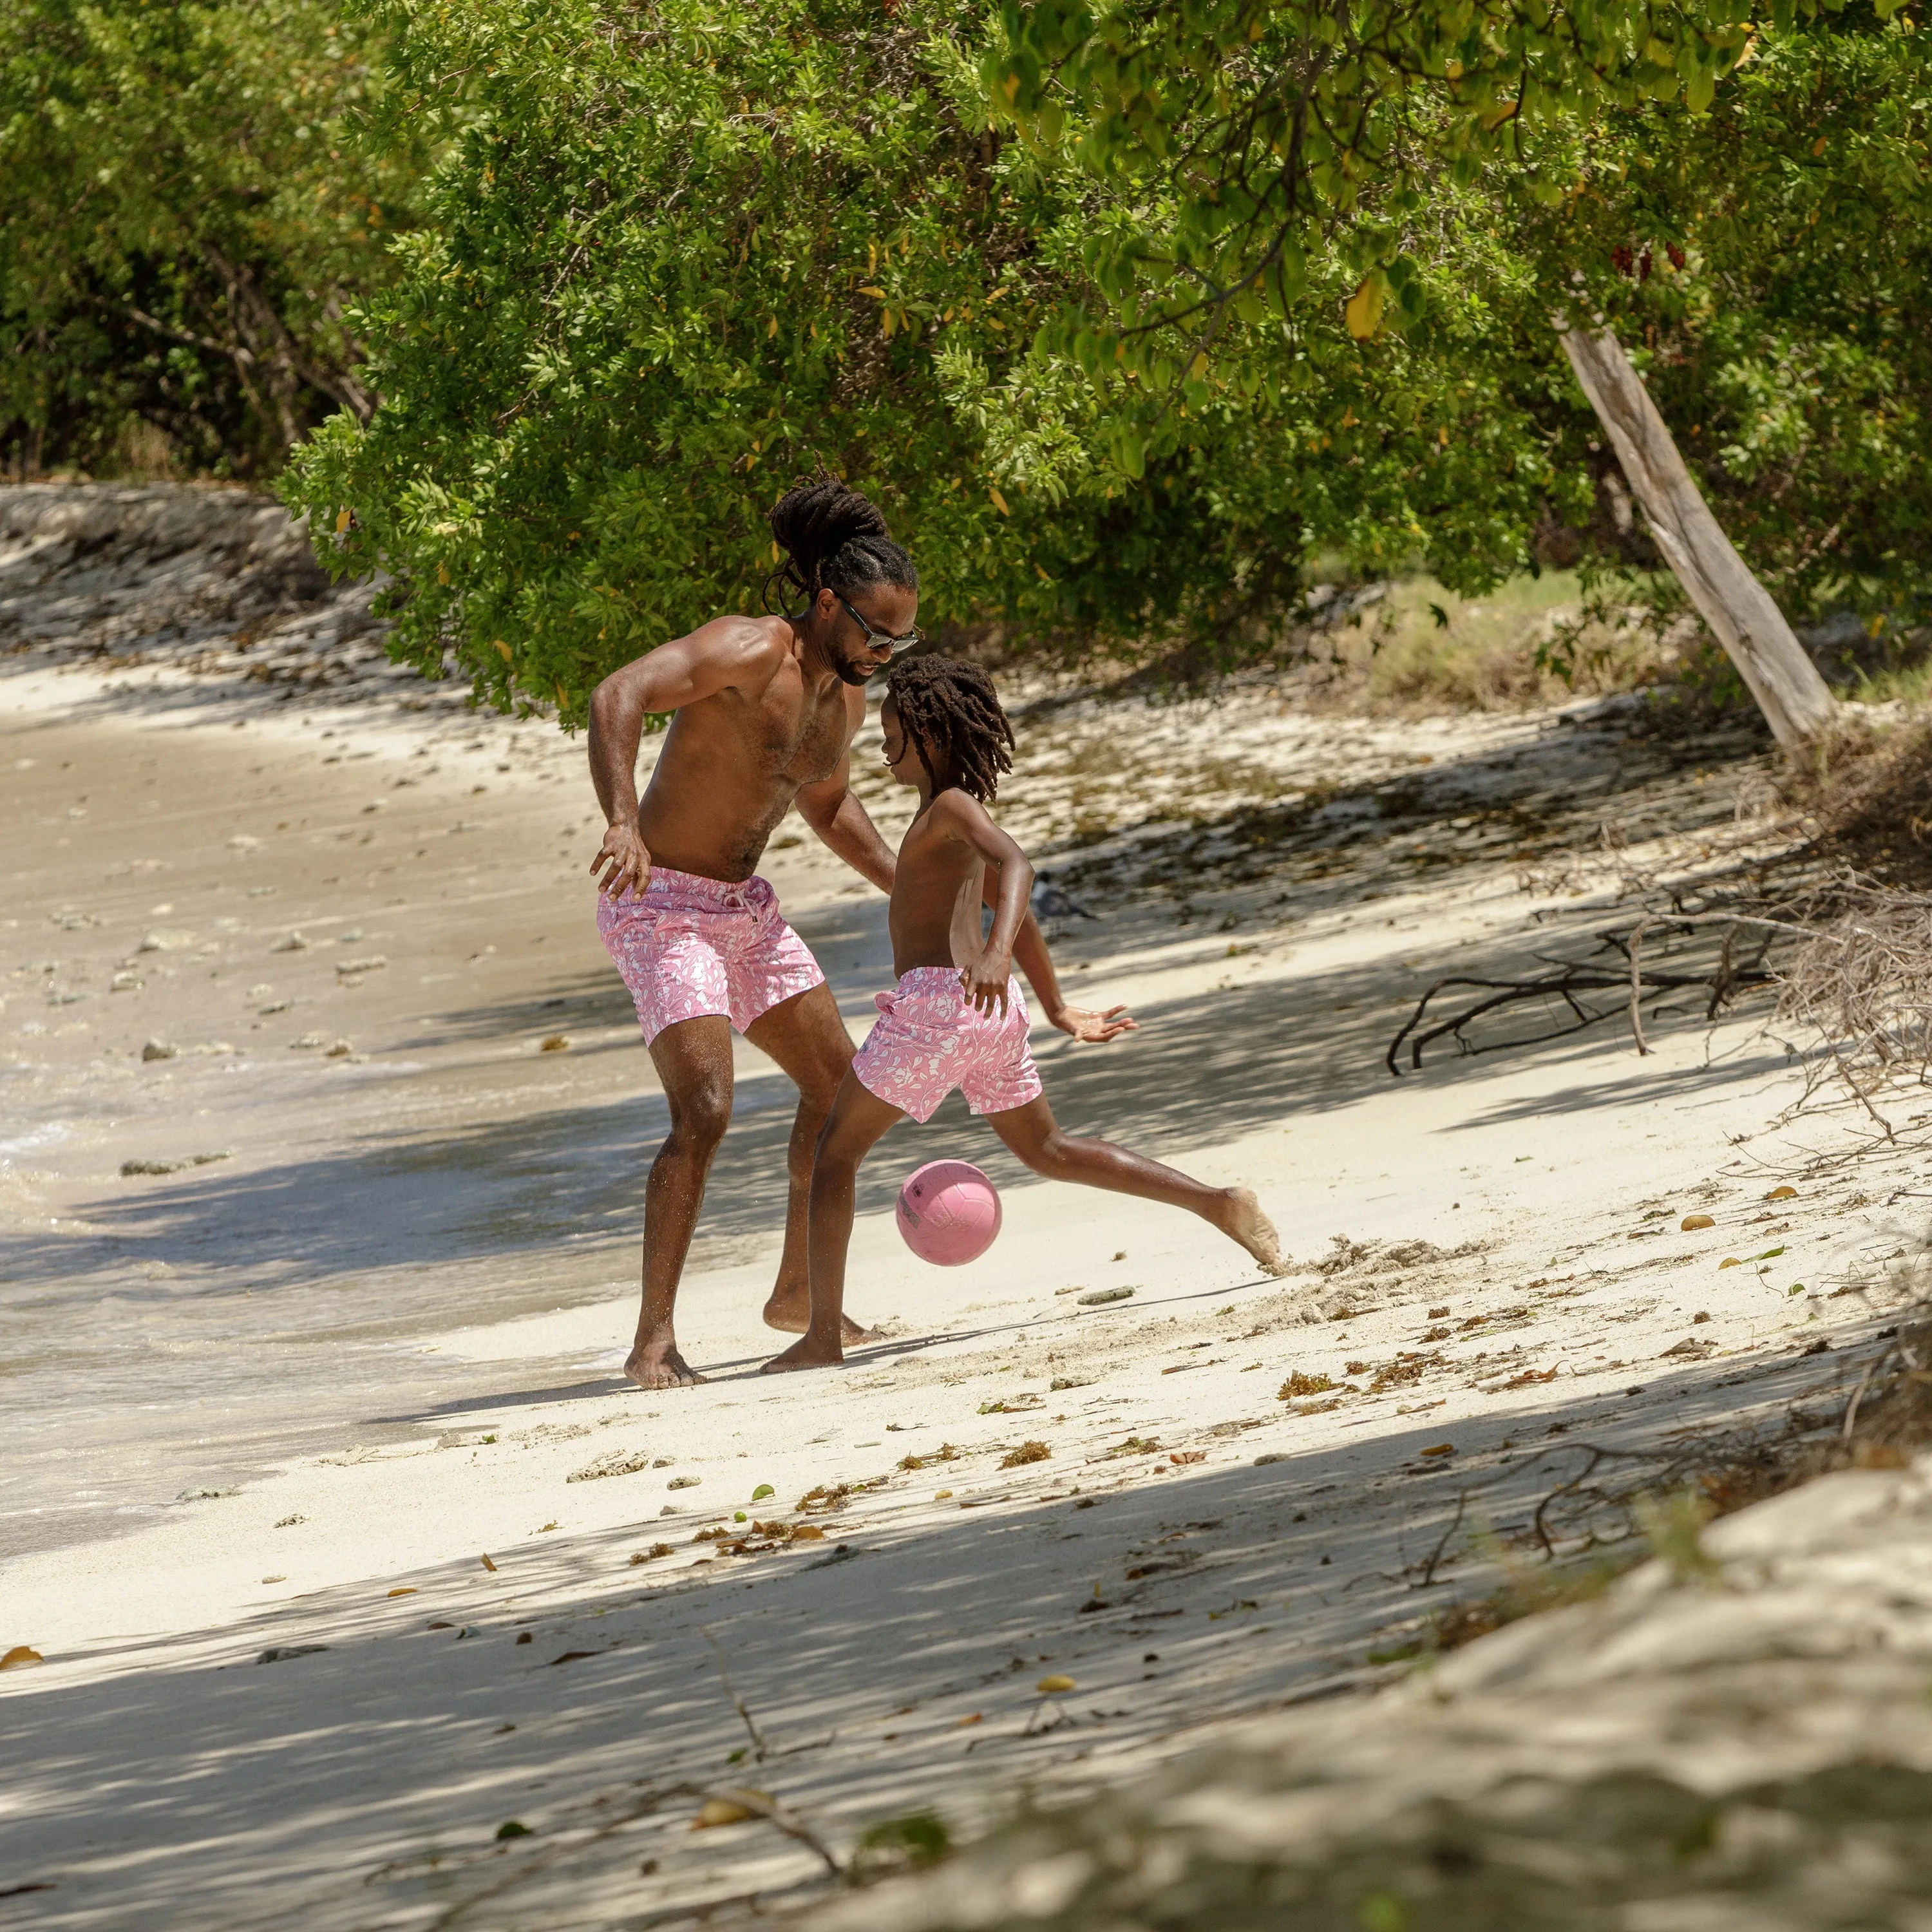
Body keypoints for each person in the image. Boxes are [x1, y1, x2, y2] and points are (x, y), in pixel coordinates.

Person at [587, 480, 1134, 1388]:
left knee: (837, 1089)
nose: (886, 654)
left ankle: (801, 1298)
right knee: (706, 1113)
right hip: (659, 908)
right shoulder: (747, 646)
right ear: (828, 603)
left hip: (742, 911)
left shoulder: (841, 702)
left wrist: (927, 890)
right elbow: (621, 693)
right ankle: (654, 1343)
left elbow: (831, 808)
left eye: (902, 641)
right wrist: (620, 821)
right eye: (875, 635)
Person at [762, 657, 1289, 1376]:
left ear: (934, 735)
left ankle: (821, 1337)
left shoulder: (950, 809)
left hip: (937, 1011)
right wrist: (1055, 1005)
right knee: (1050, 1152)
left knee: (834, 1154)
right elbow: (1014, 909)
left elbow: (1019, 869)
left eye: (894, 736)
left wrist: (995, 954)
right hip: (989, 1016)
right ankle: (1218, 1204)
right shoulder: (942, 817)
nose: (885, 749)